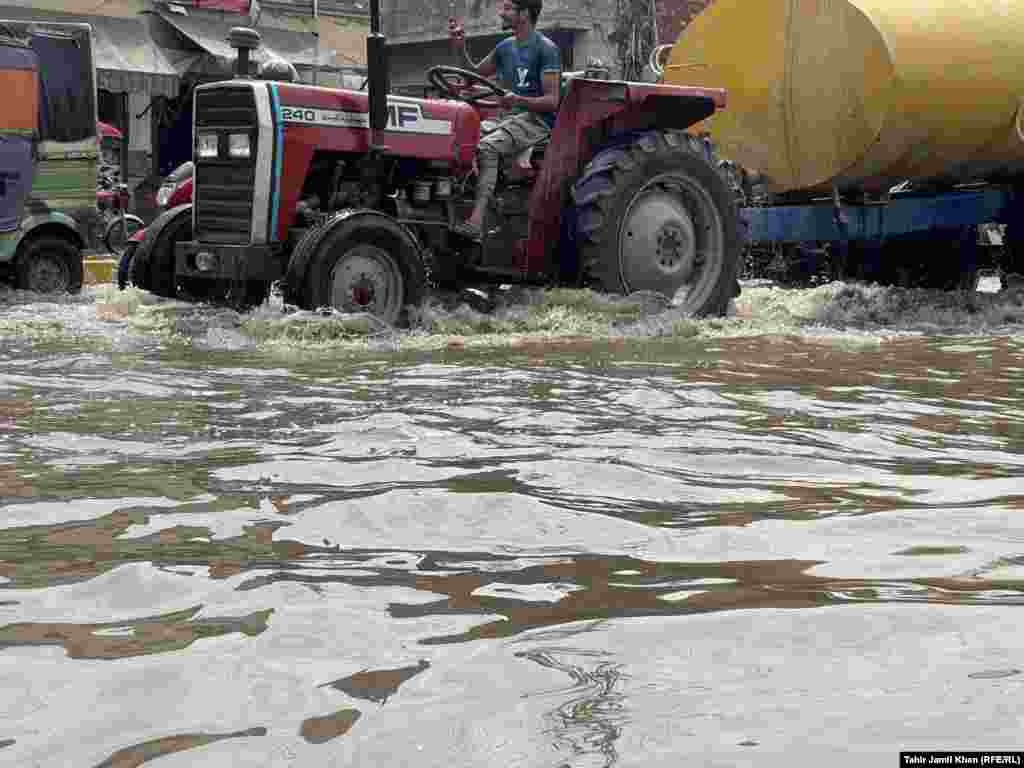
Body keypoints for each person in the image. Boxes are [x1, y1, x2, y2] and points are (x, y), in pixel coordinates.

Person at [448, 0, 562, 241]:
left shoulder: (546, 49)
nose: (502, 12)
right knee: (458, 140)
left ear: (525, 14)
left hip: (536, 121)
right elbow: (472, 75)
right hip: (508, 118)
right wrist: (460, 47)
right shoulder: (504, 47)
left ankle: (477, 222)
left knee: (487, 147)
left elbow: (552, 101)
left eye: (508, 8)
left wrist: (519, 100)